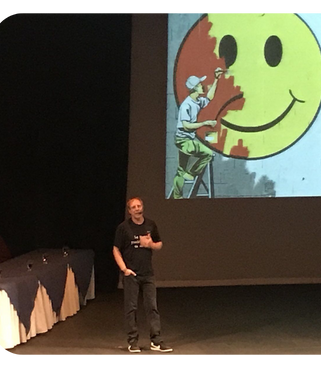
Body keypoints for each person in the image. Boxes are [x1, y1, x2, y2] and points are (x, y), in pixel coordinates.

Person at [112, 197, 172, 353]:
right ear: (130, 211)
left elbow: (159, 244)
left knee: (152, 307)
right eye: (134, 207)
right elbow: (116, 249)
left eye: (139, 206)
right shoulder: (124, 228)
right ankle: (132, 341)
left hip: (148, 273)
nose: (138, 209)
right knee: (131, 308)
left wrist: (150, 244)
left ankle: (156, 341)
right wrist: (124, 269)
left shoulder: (150, 225)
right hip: (131, 273)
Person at [172, 67, 225, 199]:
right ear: (194, 88)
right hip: (184, 141)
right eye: (200, 84)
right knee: (208, 154)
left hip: (186, 139)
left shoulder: (197, 101)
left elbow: (209, 98)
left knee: (180, 171)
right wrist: (205, 123)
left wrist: (216, 79)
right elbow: (186, 125)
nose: (202, 86)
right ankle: (191, 173)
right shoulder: (186, 105)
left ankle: (177, 198)